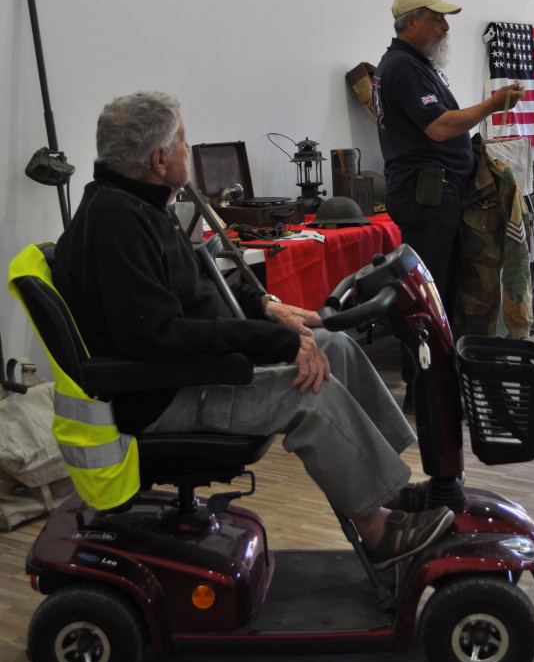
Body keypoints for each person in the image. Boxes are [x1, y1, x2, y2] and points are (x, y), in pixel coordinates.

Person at [52, 92, 453, 569]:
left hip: (183, 371)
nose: (188, 148)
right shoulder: (116, 225)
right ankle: (378, 532)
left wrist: (268, 308)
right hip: (160, 396)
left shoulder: (140, 206)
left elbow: (202, 292)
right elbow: (161, 337)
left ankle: (390, 489)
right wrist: (279, 342)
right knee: (312, 393)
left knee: (334, 345)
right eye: (182, 142)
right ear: (159, 159)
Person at [373, 0, 524, 312]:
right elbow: (439, 127)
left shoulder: (412, 64)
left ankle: (439, 357)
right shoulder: (405, 67)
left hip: (431, 190)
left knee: (438, 282)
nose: (446, 27)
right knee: (428, 286)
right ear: (411, 23)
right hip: (425, 192)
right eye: (437, 18)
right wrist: (492, 105)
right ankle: (426, 361)